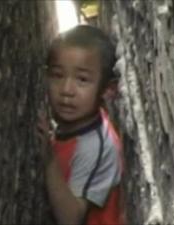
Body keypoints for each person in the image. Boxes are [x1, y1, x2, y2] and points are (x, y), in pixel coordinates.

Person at [37, 25, 124, 225]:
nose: (67, 90)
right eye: (58, 75)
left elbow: (70, 218)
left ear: (107, 90)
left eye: (82, 80)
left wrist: (49, 161)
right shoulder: (81, 121)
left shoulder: (95, 148)